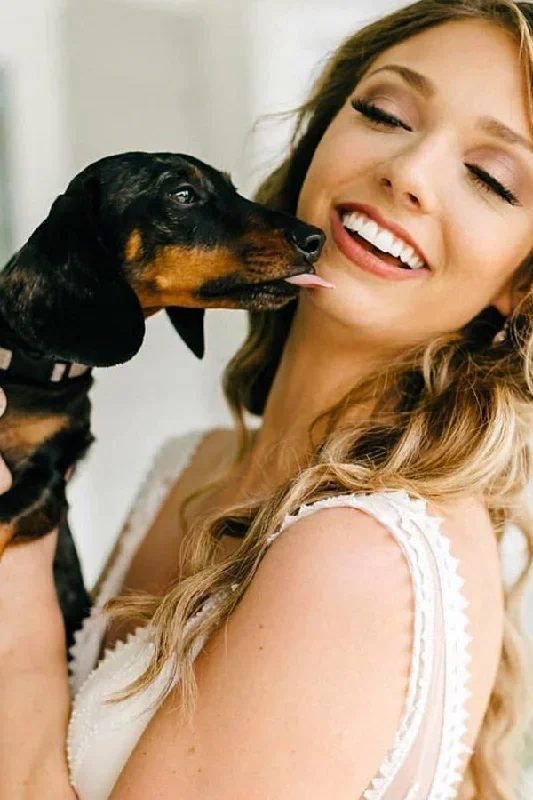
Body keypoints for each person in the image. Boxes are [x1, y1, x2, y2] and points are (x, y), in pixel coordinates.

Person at [2, 0, 533, 797]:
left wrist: (17, 520)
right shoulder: (198, 465)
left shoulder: (358, 556)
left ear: (520, 288)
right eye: (384, 113)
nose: (408, 172)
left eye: (491, 177)